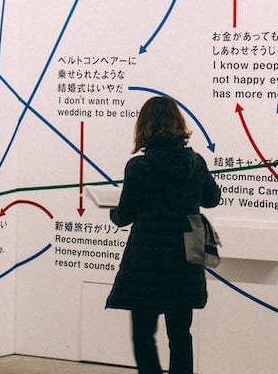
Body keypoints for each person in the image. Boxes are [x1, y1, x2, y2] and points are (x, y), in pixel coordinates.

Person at [106, 95, 222, 374]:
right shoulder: (195, 162)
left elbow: (126, 214)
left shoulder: (139, 166)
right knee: (181, 334)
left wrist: (112, 213)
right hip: (185, 257)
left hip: (148, 259)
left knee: (144, 334)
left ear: (144, 125)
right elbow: (212, 199)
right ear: (177, 123)